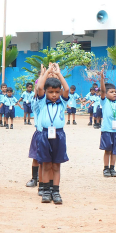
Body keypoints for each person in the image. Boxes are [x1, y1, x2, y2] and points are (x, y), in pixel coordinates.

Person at [30, 63, 70, 204]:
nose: (54, 95)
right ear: (46, 92)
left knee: (56, 165)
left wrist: (58, 74)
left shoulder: (62, 103)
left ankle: (56, 191)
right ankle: (46, 191)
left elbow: (67, 89)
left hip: (59, 135)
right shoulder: (42, 102)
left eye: (57, 92)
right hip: (45, 135)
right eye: (51, 92)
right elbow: (40, 87)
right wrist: (46, 72)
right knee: (46, 164)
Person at [98, 68, 116, 181]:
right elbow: (102, 91)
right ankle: (105, 168)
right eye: (111, 92)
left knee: (114, 151)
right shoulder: (104, 101)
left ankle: (112, 168)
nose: (114, 93)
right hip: (107, 130)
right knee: (107, 150)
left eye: (115, 92)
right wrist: (102, 79)